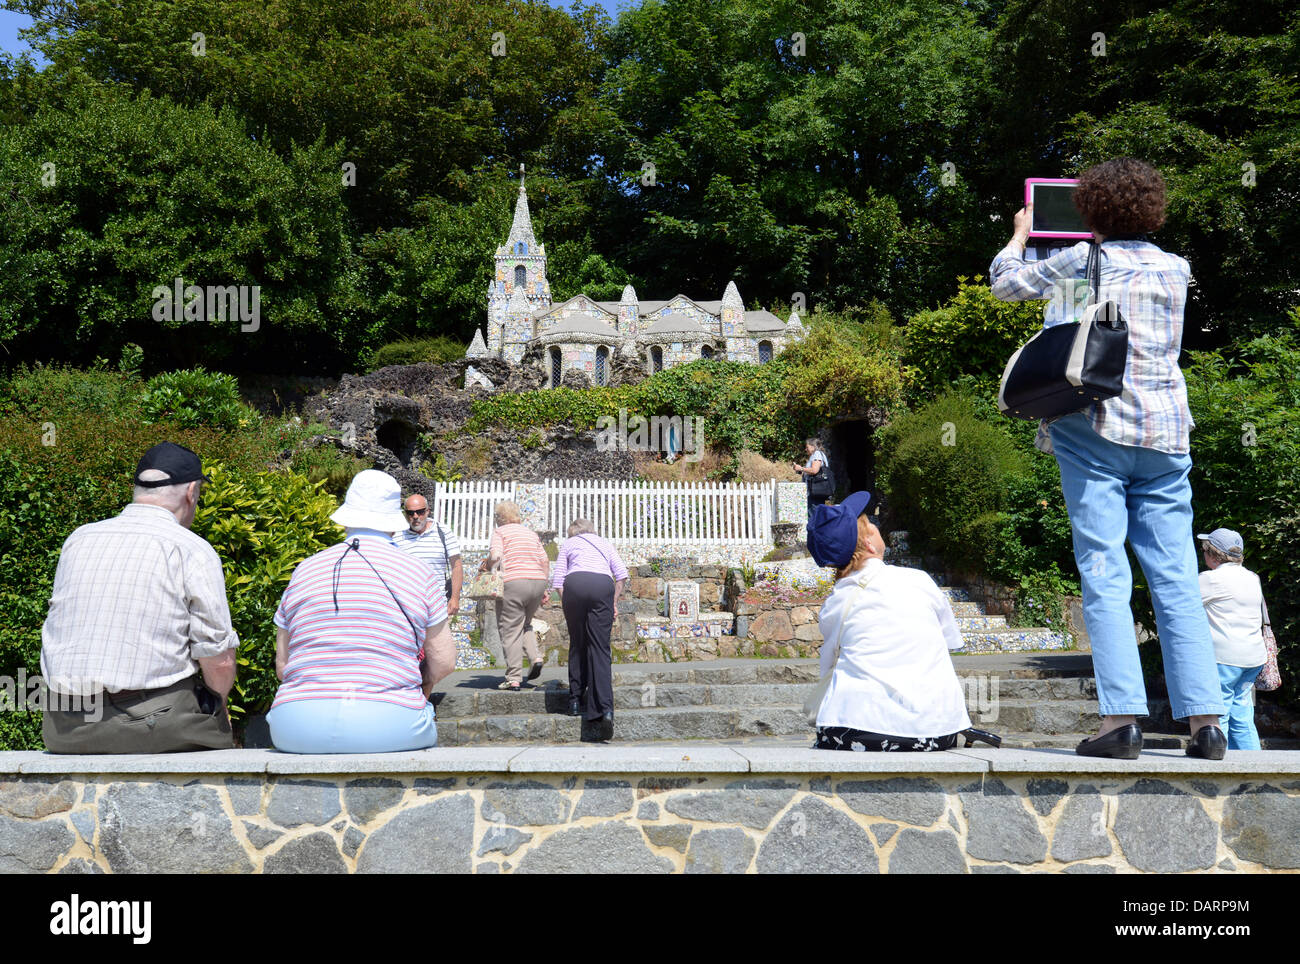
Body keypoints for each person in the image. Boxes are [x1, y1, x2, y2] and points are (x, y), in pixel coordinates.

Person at [990, 156, 1225, 759]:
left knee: (1103, 571)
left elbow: (1006, 285)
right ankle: (1206, 724)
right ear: (1154, 208)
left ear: (1091, 209)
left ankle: (1120, 721)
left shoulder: (1079, 259)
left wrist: (1020, 234)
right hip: (1168, 433)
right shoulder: (1178, 268)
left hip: (1095, 425)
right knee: (1175, 579)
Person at [40, 442, 238, 753]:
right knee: (222, 739)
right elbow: (219, 658)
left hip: (63, 728)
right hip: (153, 724)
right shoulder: (191, 549)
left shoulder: (79, 539)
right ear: (191, 493)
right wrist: (218, 708)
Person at [267, 470, 455, 753]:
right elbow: (444, 662)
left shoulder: (304, 570)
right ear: (393, 521)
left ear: (348, 516)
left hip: (295, 725)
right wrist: (421, 681)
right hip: (390, 722)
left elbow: (283, 666)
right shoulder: (420, 573)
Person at [806, 491, 978, 751]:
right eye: (870, 524)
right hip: (934, 730)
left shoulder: (836, 603)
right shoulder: (919, 580)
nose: (876, 526)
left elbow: (829, 664)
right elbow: (951, 642)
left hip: (854, 728)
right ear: (870, 545)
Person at [551, 519, 628, 742]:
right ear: (592, 530)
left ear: (573, 532)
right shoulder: (604, 543)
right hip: (602, 585)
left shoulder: (569, 543)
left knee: (577, 643)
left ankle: (575, 701)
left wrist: (569, 603)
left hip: (575, 585)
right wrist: (613, 601)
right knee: (600, 648)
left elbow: (558, 581)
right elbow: (621, 575)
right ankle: (605, 709)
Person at [1197, 528, 1267, 750]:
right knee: (1243, 715)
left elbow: (1180, 609)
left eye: (1204, 549)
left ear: (1213, 553)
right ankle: (1255, 769)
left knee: (1220, 715)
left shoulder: (1210, 579)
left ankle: (1220, 768)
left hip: (1224, 658)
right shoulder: (1252, 577)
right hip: (1253, 658)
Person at [477, 500, 550, 691]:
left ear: (499, 518)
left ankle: (513, 677)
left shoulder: (500, 532)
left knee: (509, 629)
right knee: (525, 624)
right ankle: (535, 658)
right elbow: (544, 561)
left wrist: (488, 565)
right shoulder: (530, 533)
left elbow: (496, 555)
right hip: (537, 581)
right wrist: (545, 588)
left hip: (514, 582)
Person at [396, 492, 463, 616]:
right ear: (406, 514)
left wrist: (455, 598)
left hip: (437, 605)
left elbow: (457, 566)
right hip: (406, 607)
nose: (415, 516)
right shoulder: (397, 536)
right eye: (411, 513)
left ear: (427, 511)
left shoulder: (443, 532)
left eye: (420, 512)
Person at [792, 437, 832, 518]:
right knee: (816, 516)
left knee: (814, 518)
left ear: (813, 446)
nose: (805, 449)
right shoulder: (817, 455)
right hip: (815, 491)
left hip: (814, 491)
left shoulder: (817, 454)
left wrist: (801, 468)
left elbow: (814, 470)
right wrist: (802, 471)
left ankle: (816, 531)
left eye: (807, 447)